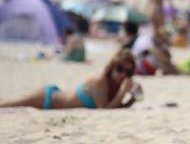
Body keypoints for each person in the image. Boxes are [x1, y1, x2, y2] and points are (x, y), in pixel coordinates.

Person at [1, 50, 141, 109]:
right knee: (7, 105)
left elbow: (115, 107)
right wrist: (123, 92)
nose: (123, 74)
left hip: (54, 98)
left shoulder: (116, 84)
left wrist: (133, 99)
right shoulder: (101, 80)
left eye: (128, 72)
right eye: (120, 69)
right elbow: (104, 110)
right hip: (48, 99)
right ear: (112, 67)